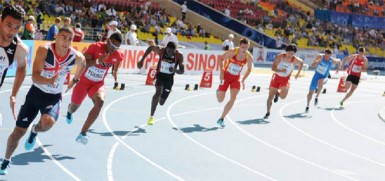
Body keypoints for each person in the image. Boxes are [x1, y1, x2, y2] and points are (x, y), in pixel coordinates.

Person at [0, 27, 86, 175]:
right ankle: (6, 160)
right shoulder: (44, 50)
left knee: (47, 124)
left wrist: (75, 80)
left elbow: (83, 63)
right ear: (57, 37)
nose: (66, 42)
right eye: (64, 37)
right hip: (36, 93)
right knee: (18, 132)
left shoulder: (75, 56)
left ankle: (35, 130)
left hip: (53, 97)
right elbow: (34, 77)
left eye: (70, 39)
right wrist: (49, 80)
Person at [65, 32, 124, 144]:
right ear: (108, 41)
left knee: (100, 101)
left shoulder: (118, 55)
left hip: (98, 83)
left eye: (117, 47)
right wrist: (98, 61)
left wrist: (115, 74)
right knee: (74, 107)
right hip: (83, 82)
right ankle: (69, 111)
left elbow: (116, 66)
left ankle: (83, 133)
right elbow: (84, 63)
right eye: (112, 45)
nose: (114, 49)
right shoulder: (95, 47)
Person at [137, 41, 184, 125]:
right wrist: (142, 60)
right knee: (158, 92)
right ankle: (151, 117)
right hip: (160, 76)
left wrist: (175, 70)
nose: (169, 54)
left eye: (172, 52)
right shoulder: (161, 50)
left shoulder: (179, 55)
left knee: (161, 103)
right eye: (168, 51)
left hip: (169, 80)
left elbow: (182, 71)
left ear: (175, 50)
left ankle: (161, 95)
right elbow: (151, 47)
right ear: (166, 48)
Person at [0, 5, 29, 129]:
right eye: (9, 25)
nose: (12, 31)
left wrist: (13, 94)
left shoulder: (19, 48)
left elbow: (22, 67)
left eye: (17, 27)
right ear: (0, 19)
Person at [216, 38, 253, 128]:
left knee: (233, 98)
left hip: (236, 79)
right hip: (226, 76)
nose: (244, 50)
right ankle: (218, 92)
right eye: (243, 47)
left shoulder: (249, 57)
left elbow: (249, 69)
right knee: (220, 100)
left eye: (246, 48)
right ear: (240, 46)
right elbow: (220, 59)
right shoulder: (232, 52)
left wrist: (243, 79)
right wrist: (221, 72)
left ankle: (221, 118)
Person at [264, 44, 303, 119]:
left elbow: (301, 62)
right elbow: (273, 68)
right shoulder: (280, 56)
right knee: (270, 96)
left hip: (285, 79)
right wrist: (280, 70)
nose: (290, 55)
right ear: (286, 52)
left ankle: (278, 94)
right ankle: (268, 112)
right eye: (289, 53)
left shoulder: (295, 59)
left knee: (283, 97)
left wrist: (298, 73)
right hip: (276, 78)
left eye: (292, 54)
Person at [305, 49, 341, 113]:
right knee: (310, 92)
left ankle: (317, 96)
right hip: (316, 76)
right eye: (326, 56)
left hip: (324, 77)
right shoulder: (320, 56)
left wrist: (338, 69)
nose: (327, 58)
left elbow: (339, 61)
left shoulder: (332, 60)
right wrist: (317, 62)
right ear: (324, 54)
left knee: (321, 81)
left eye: (329, 56)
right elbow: (312, 65)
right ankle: (307, 106)